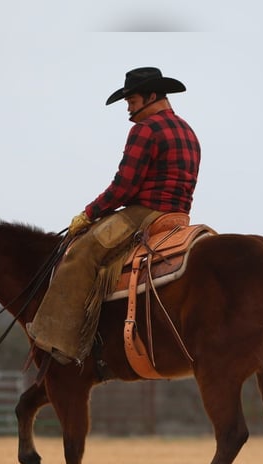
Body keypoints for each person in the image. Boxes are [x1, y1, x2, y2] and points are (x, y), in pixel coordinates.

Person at [27, 67, 201, 364]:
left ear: (151, 96)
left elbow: (124, 186)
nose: (129, 109)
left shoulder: (145, 129)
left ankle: (59, 339)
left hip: (144, 213)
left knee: (82, 252)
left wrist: (89, 213)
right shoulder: (188, 130)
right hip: (179, 216)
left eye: (132, 101)